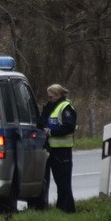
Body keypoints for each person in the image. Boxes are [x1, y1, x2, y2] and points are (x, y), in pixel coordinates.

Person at [38, 83, 76, 213]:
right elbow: (42, 122)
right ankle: (61, 209)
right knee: (57, 182)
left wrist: (51, 132)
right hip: (52, 150)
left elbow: (68, 127)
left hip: (63, 150)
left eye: (51, 96)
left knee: (64, 183)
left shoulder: (66, 107)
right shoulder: (50, 107)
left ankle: (67, 209)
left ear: (58, 95)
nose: (49, 99)